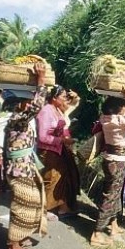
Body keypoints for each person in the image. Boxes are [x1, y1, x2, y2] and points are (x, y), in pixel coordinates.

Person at [90, 85, 125, 247]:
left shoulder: (106, 118)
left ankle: (113, 226)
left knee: (115, 194)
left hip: (112, 159)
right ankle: (97, 232)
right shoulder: (118, 121)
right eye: (124, 106)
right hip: (117, 161)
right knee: (111, 196)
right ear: (118, 109)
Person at [4, 63, 48, 249]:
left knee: (31, 202)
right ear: (20, 104)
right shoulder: (17, 118)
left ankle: (19, 238)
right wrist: (41, 80)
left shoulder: (19, 119)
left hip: (24, 167)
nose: (29, 104)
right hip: (19, 170)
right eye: (26, 101)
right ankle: (14, 246)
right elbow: (38, 105)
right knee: (22, 205)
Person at [37, 85, 81, 219]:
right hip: (49, 151)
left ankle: (60, 207)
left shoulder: (56, 109)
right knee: (51, 179)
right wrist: (62, 140)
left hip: (58, 149)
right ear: (55, 98)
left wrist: (75, 97)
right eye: (62, 96)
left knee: (61, 178)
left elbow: (73, 104)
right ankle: (43, 210)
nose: (65, 99)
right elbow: (43, 137)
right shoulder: (46, 111)